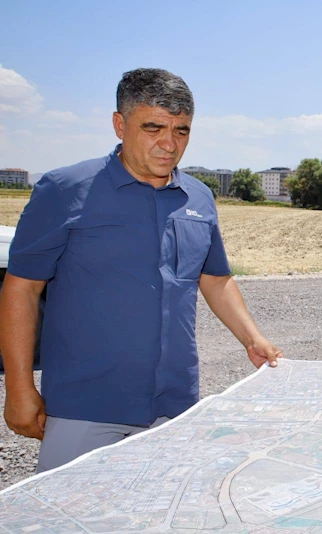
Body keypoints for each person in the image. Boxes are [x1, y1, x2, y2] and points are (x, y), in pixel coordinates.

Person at [0, 68, 283, 473]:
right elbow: (21, 289)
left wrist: (253, 338)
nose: (169, 144)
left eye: (182, 131)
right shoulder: (64, 190)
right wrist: (20, 386)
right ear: (120, 124)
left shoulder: (199, 198)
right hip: (85, 408)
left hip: (175, 406)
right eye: (153, 128)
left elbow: (216, 279)